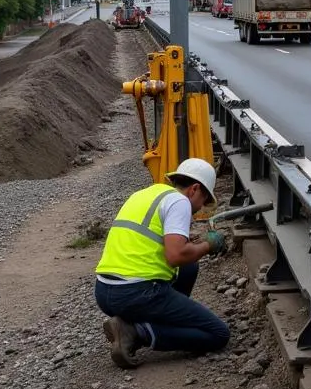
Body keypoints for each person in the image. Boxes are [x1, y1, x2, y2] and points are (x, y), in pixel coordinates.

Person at [93, 157, 230, 369]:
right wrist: (207, 246)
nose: (201, 208)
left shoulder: (145, 194)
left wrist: (190, 248)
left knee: (189, 266)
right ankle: (136, 332)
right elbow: (175, 256)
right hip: (135, 293)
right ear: (194, 189)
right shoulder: (180, 202)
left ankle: (154, 323)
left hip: (104, 291)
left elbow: (151, 243)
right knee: (219, 334)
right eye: (204, 200)